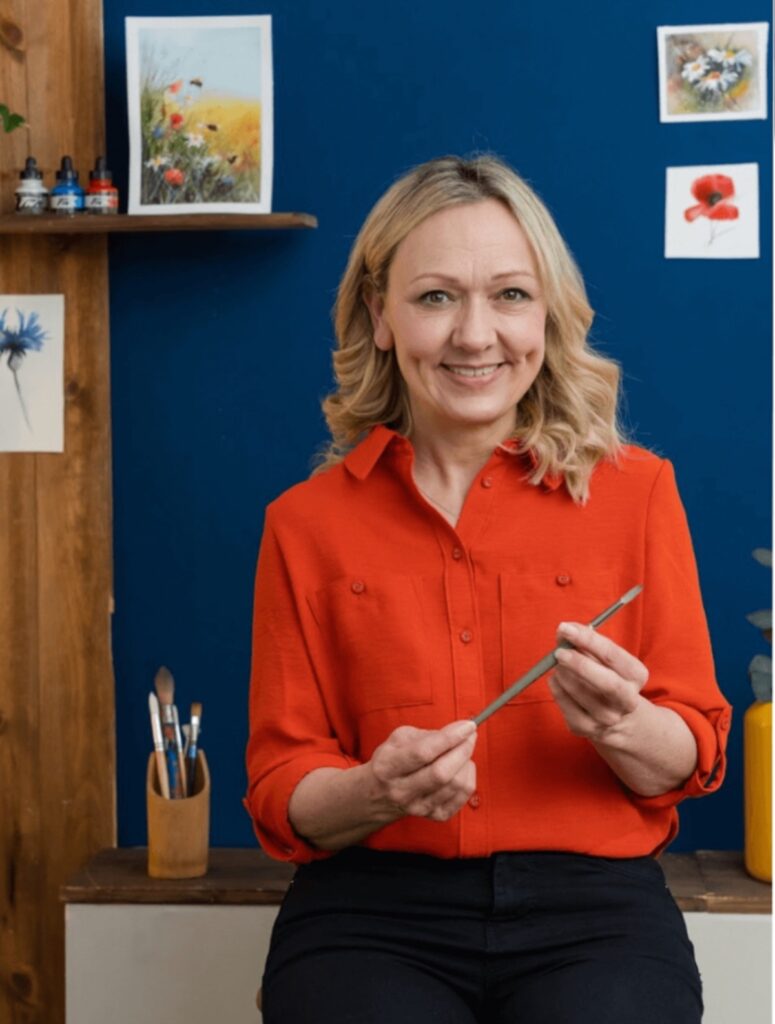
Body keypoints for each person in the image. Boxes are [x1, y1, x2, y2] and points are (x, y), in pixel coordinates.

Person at [244, 154, 731, 1024]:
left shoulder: (639, 492)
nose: (475, 336)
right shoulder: (302, 523)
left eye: (509, 295)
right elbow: (284, 787)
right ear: (379, 315)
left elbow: (693, 752)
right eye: (435, 297)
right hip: (369, 912)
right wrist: (372, 791)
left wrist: (622, 725)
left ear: (546, 312)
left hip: (595, 911)